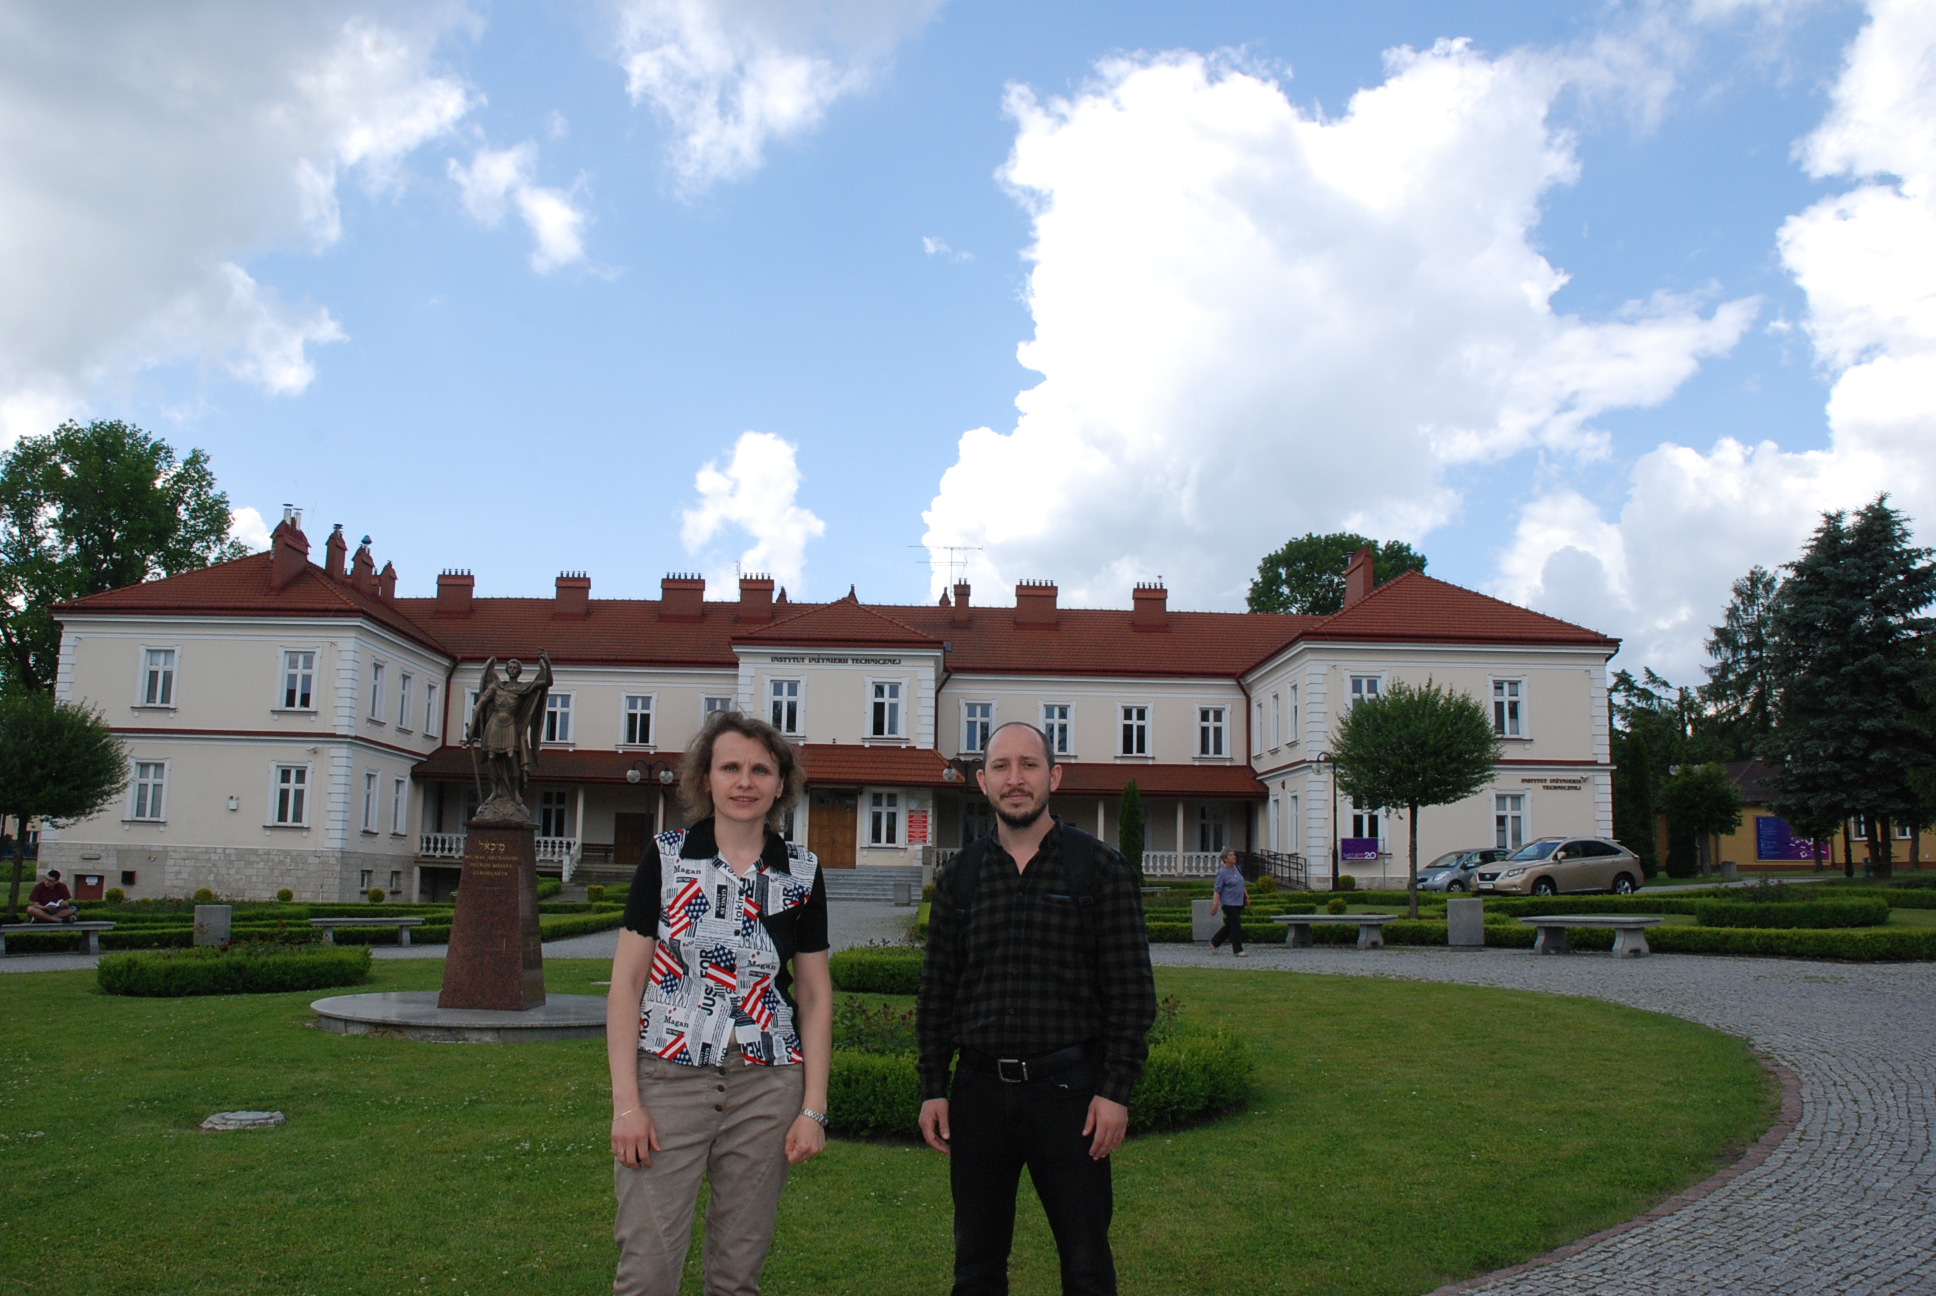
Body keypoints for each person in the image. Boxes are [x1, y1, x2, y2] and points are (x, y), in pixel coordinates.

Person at [917, 721, 1157, 1296]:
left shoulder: (1098, 869)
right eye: (1001, 766)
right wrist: (933, 1087)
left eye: (1029, 765)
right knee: (976, 1267)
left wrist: (1115, 1091)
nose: (1015, 779)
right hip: (979, 1095)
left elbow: (1131, 992)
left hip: (1069, 1096)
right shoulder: (961, 877)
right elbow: (938, 992)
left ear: (1054, 776)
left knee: (1086, 1264)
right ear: (982, 782)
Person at [605, 710, 831, 1296]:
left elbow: (813, 993)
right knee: (648, 1267)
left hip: (766, 1084)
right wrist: (627, 1106)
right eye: (730, 768)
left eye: (761, 770)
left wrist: (813, 1108)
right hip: (668, 1078)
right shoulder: (667, 857)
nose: (745, 782)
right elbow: (626, 985)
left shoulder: (801, 871)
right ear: (706, 778)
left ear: (781, 785)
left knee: (738, 1271)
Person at [1208, 849, 1248, 957]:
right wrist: (1215, 904)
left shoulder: (1237, 868)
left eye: (1234, 855)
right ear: (1225, 859)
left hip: (1239, 901)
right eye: (1231, 855)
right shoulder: (1222, 872)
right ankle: (1237, 949)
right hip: (1228, 902)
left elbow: (1241, 884)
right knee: (1236, 925)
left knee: (1230, 925)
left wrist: (1246, 896)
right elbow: (1217, 890)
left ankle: (1214, 942)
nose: (1234, 857)